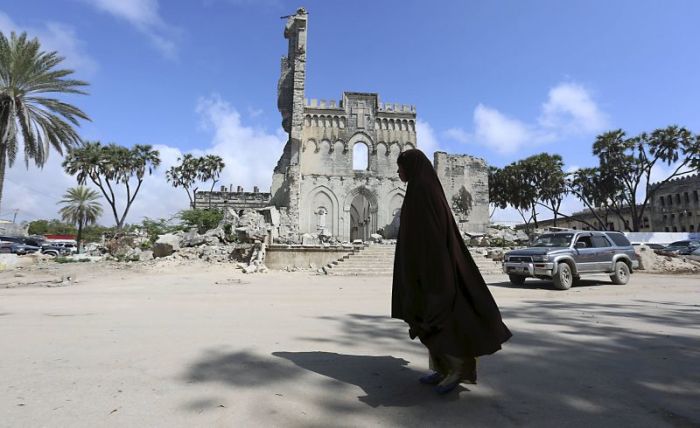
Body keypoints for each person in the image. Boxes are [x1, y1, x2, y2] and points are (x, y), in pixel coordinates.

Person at [392, 149, 512, 394]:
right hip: (422, 265)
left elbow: (431, 234)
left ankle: (457, 368)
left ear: (412, 166)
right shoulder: (419, 187)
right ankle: (441, 368)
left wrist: (431, 268)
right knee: (423, 314)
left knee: (438, 315)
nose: (397, 171)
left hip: (433, 266)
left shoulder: (424, 189)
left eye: (400, 166)